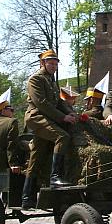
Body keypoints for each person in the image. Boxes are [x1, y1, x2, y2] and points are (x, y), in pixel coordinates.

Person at [22, 49, 77, 209]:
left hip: (47, 118)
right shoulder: (35, 79)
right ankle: (55, 178)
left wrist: (71, 113)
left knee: (36, 158)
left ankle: (27, 198)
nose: (53, 66)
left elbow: (59, 102)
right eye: (50, 63)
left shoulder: (51, 81)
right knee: (62, 137)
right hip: (36, 117)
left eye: (55, 64)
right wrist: (63, 117)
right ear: (42, 63)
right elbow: (42, 103)